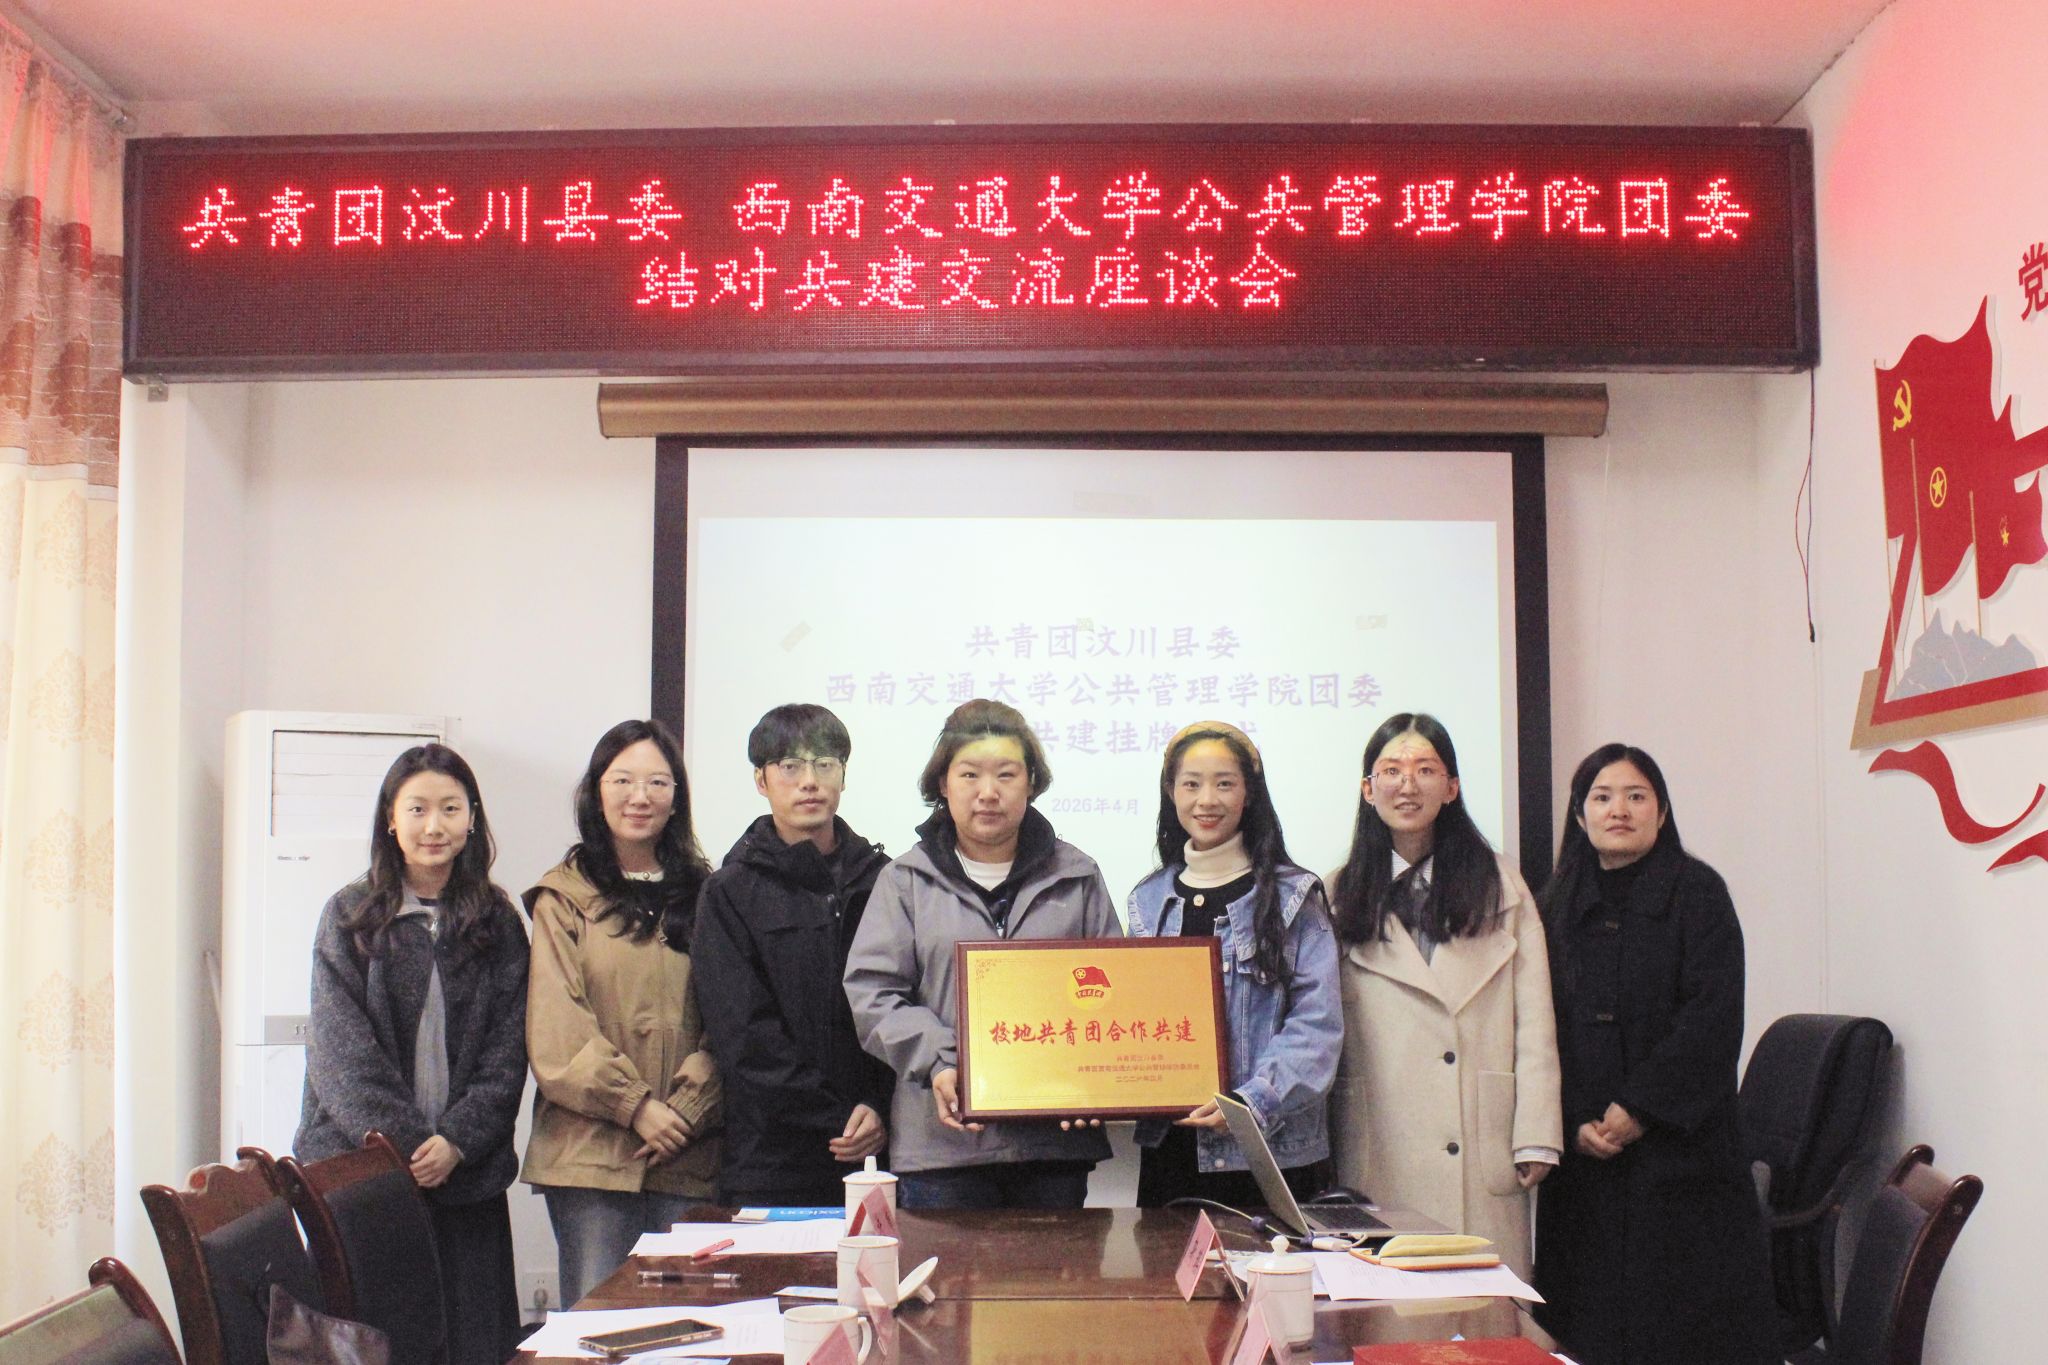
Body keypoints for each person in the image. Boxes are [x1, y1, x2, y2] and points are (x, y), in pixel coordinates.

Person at [1531, 743, 1777, 1365]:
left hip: (1682, 1157)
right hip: (1585, 1161)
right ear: (1580, 815)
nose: (1619, 810)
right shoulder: (1554, 903)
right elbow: (1537, 1025)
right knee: (1587, 1331)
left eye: (1636, 796)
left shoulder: (1700, 893)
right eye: (1602, 797)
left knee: (1679, 1331)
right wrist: (1576, 1117)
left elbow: (1712, 1019)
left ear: (1662, 813)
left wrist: (1639, 1108)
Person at [297, 743, 528, 1365]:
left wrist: (455, 1142)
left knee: (472, 1342)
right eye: (418, 808)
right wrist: (405, 1147)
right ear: (390, 819)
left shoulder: (499, 922)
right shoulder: (349, 916)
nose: (434, 825)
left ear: (472, 818)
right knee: (375, 1344)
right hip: (363, 1176)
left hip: (466, 1174)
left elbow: (509, 1052)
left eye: (450, 808)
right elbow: (341, 1054)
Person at [844, 698, 1122, 1209]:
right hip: (942, 1146)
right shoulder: (905, 880)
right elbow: (873, 993)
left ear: (1031, 783)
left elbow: (1114, 992)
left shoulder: (1078, 876)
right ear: (943, 784)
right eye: (970, 774)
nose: (988, 792)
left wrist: (1091, 1076)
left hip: (1052, 1146)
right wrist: (941, 1060)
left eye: (1006, 775)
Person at [1326, 713, 1561, 1279]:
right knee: (1385, 1309)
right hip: (1378, 1139)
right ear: (1368, 789)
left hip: (1479, 1140)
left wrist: (1536, 1134)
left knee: (1480, 1307)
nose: (1407, 785)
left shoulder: (1501, 887)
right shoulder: (1337, 893)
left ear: (1452, 787)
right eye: (1391, 770)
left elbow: (1535, 1020)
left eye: (1425, 770)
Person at [522, 719, 719, 1307]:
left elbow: (732, 1019)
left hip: (689, 1151)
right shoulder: (563, 898)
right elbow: (557, 1029)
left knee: (692, 1331)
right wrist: (636, 1106)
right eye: (623, 780)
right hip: (590, 1158)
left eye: (658, 782)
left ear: (677, 797)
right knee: (598, 1328)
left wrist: (687, 1108)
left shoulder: (710, 894)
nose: (640, 796)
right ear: (596, 791)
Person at [1126, 721, 1340, 1208]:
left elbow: (1317, 1025)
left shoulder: (1293, 897)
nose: (1207, 800)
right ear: (1171, 792)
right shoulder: (1148, 899)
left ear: (1249, 794)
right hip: (1171, 1151)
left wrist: (1250, 1102)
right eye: (1191, 784)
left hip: (1266, 1150)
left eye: (1224, 783)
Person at [693, 703, 893, 1206]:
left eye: (825, 764)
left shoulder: (885, 881)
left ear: (844, 775)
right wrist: (838, 1116)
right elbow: (742, 1033)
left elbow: (904, 1001)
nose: (810, 782)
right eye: (790, 766)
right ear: (761, 780)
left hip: (878, 1150)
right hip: (770, 1158)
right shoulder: (729, 891)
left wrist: (877, 1105)